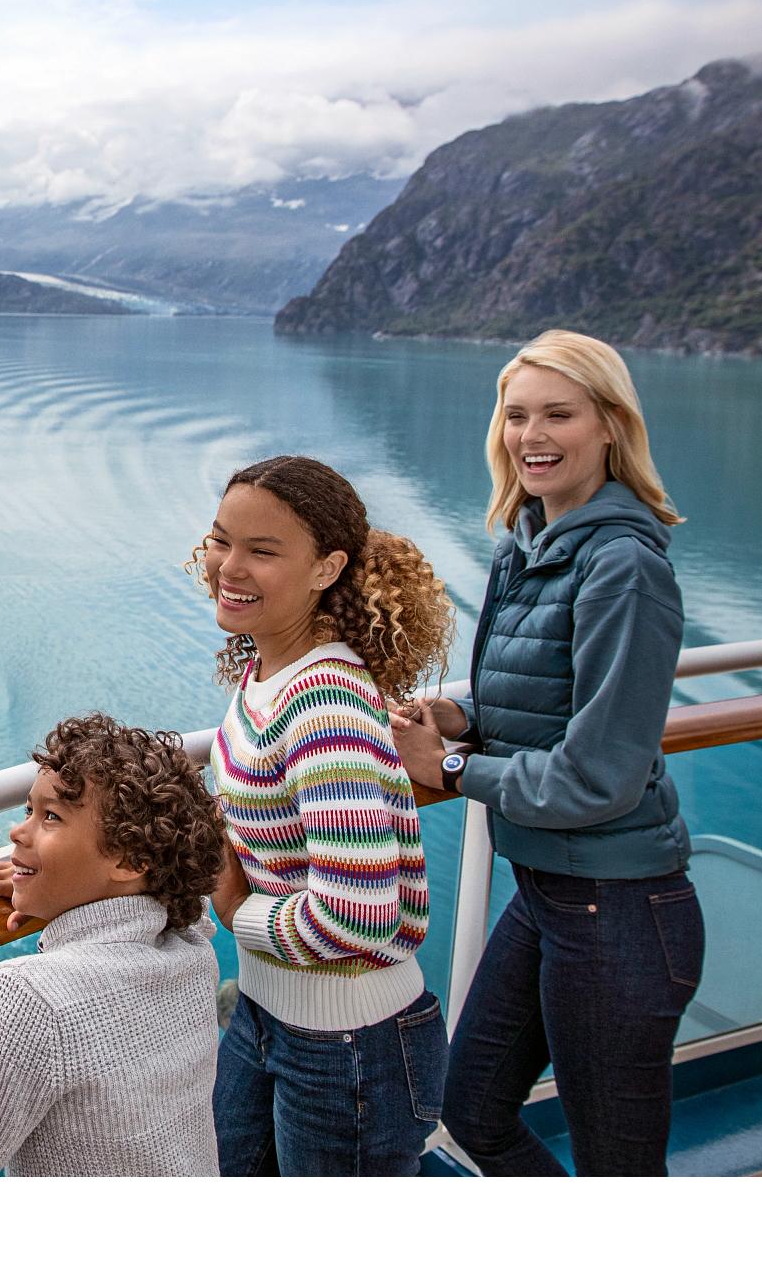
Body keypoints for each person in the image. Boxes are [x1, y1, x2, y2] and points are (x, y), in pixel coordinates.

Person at [391, 328, 701, 1177]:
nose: (532, 434)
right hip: (554, 894)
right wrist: (457, 715)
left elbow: (598, 773)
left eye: (558, 413)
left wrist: (448, 769)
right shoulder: (527, 544)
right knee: (472, 1110)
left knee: (619, 1169)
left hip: (620, 906)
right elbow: (546, 698)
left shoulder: (623, 565)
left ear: (609, 424)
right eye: (516, 414)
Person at [195, 454, 457, 1176]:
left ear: (326, 568)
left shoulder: (325, 706)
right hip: (268, 1013)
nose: (228, 566)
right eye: (222, 540)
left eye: (263, 551)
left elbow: (357, 917)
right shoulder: (269, 669)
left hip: (349, 1046)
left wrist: (230, 904)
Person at [0, 713, 229, 1176]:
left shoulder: (34, 998)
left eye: (51, 817)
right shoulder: (191, 947)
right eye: (29, 810)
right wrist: (55, 885)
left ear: (131, 861)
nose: (18, 832)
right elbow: (185, 906)